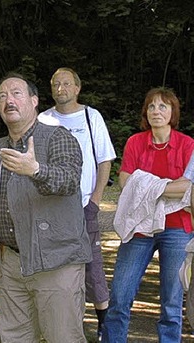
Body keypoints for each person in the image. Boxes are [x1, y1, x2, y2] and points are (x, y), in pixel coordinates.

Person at [0, 73, 91, 343]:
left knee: (63, 337)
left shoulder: (57, 138)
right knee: (14, 337)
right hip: (12, 264)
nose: (8, 100)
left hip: (56, 262)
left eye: (16, 93)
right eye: (2, 96)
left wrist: (35, 169)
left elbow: (70, 180)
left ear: (34, 101)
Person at [102, 88, 194, 342]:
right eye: (151, 106)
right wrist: (167, 187)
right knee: (120, 296)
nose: (156, 111)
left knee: (171, 303)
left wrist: (148, 186)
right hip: (139, 227)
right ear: (146, 112)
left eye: (163, 106)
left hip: (177, 228)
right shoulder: (135, 142)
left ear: (173, 112)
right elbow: (125, 182)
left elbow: (188, 187)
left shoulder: (187, 144)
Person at [39, 67, 116, 337]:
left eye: (66, 84)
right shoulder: (43, 119)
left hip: (83, 205)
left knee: (91, 263)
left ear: (77, 88)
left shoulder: (90, 116)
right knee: (56, 266)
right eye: (56, 84)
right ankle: (64, 323)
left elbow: (105, 159)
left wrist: (95, 200)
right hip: (51, 207)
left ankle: (104, 323)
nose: (61, 88)